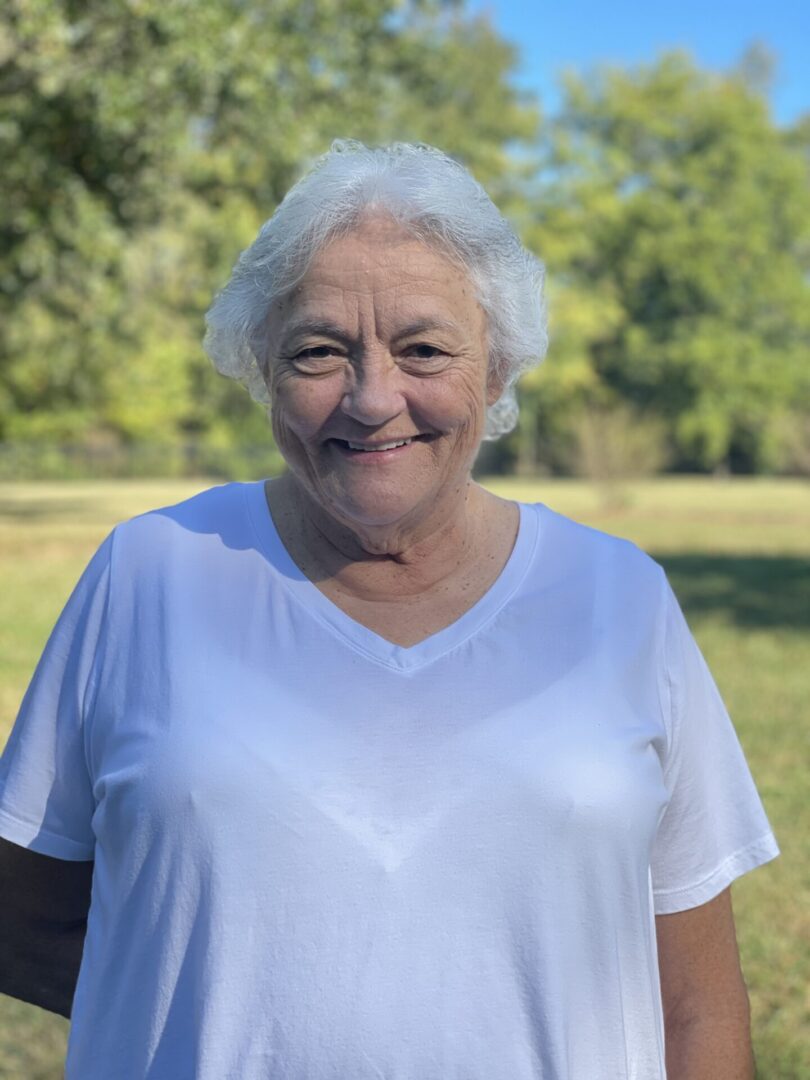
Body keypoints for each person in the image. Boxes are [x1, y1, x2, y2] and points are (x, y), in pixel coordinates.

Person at [0, 140, 779, 1080]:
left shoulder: (621, 598)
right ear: (262, 372)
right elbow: (24, 917)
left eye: (424, 350)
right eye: (319, 351)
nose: (374, 400)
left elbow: (695, 1000)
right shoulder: (147, 574)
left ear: (497, 370)